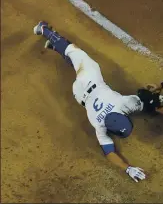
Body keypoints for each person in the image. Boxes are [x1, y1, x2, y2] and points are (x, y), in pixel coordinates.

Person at [33, 21, 146, 182]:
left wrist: (128, 169)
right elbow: (109, 152)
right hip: (79, 94)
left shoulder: (122, 103)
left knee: (75, 53)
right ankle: (47, 37)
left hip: (90, 77)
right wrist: (126, 168)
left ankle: (47, 33)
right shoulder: (98, 125)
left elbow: (140, 101)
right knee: (75, 57)